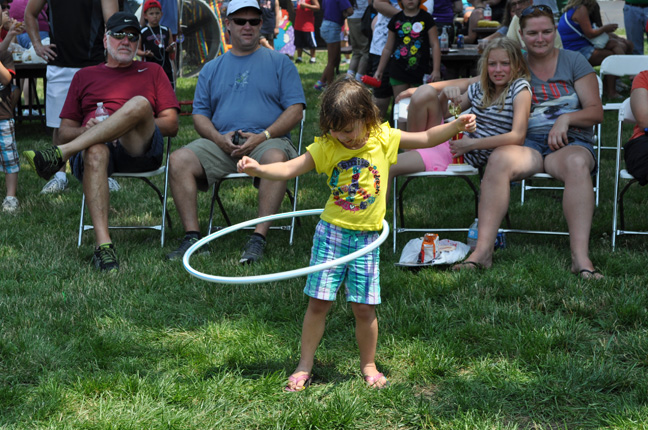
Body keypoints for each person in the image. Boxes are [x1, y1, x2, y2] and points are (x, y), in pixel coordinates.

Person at [236, 77, 476, 392]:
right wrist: (259, 169)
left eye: (349, 130)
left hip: (367, 240)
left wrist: (456, 124)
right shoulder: (328, 146)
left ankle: (369, 364)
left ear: (366, 117)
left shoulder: (384, 138)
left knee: (364, 307)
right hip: (332, 235)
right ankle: (304, 364)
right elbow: (290, 169)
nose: (343, 137)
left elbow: (428, 136)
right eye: (335, 130)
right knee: (319, 302)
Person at [452, 5, 604, 280]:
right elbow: (477, 80)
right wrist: (423, 89)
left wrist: (565, 119)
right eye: (532, 33)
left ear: (555, 31)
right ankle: (482, 252)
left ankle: (580, 257)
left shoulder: (573, 61)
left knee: (577, 163)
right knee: (499, 158)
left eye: (547, 31)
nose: (540, 38)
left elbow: (596, 111)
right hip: (528, 144)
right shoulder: (512, 61)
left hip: (569, 142)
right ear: (521, 35)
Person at [22, 12, 180, 272]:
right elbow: (64, 131)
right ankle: (104, 247)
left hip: (139, 148)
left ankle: (59, 155)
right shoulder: (84, 76)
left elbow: (172, 125)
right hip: (97, 155)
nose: (126, 41)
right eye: (119, 35)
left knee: (140, 103)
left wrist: (124, 124)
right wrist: (90, 129)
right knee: (95, 148)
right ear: (106, 39)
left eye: (132, 36)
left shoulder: (152, 70)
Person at [165, 0, 306, 264]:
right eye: (240, 21)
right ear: (228, 25)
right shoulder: (211, 68)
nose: (247, 26)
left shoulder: (280, 63)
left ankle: (257, 238)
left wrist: (263, 136)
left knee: (276, 159)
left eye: (254, 21)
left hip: (268, 140)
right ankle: (193, 237)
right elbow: (199, 116)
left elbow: (295, 111)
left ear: (261, 24)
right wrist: (219, 138)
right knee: (178, 159)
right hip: (223, 143)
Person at [390, 37, 531, 182]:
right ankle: (414, 150)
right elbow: (447, 113)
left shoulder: (519, 89)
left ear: (518, 66)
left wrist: (471, 145)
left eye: (505, 64)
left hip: (459, 155)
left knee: (387, 167)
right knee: (425, 90)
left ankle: (413, 155)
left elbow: (518, 136)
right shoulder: (481, 87)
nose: (498, 69)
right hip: (451, 142)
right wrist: (444, 95)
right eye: (492, 64)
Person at [24, 0, 119, 194]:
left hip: (93, 62)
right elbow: (29, 13)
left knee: (100, 120)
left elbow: (113, 23)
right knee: (58, 125)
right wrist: (36, 45)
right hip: (59, 64)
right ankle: (59, 177)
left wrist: (112, 56)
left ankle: (106, 174)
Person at [557, 0, 631, 98]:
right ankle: (611, 89)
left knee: (620, 45)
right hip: (576, 51)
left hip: (580, 46)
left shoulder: (576, 8)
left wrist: (614, 36)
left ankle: (613, 82)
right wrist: (606, 28)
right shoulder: (581, 9)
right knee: (611, 57)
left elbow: (592, 30)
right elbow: (590, 33)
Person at [374, 0, 441, 99]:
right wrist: (379, 70)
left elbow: (435, 45)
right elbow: (388, 48)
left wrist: (436, 70)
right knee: (400, 103)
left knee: (419, 104)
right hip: (398, 71)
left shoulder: (427, 18)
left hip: (420, 71)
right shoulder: (395, 19)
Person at [313, 0, 353, 90]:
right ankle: (330, 88)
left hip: (326, 25)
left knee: (336, 58)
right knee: (332, 60)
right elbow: (350, 11)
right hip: (332, 27)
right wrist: (345, 15)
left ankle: (321, 82)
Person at [0, 22, 18, 213]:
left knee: (9, 157)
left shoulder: (4, 55)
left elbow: (6, 79)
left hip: (3, 117)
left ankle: (11, 196)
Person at [138, 0, 175, 86]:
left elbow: (173, 49)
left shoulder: (166, 30)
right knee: (151, 89)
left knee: (168, 89)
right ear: (145, 16)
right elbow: (137, 50)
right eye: (151, 14)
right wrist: (145, 53)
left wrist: (171, 49)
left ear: (161, 14)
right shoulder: (142, 31)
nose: (155, 16)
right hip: (149, 67)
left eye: (157, 13)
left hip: (165, 67)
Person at [346, 0, 370, 79]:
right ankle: (359, 79)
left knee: (356, 51)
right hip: (361, 18)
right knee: (365, 50)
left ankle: (348, 78)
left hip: (351, 17)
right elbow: (370, 3)